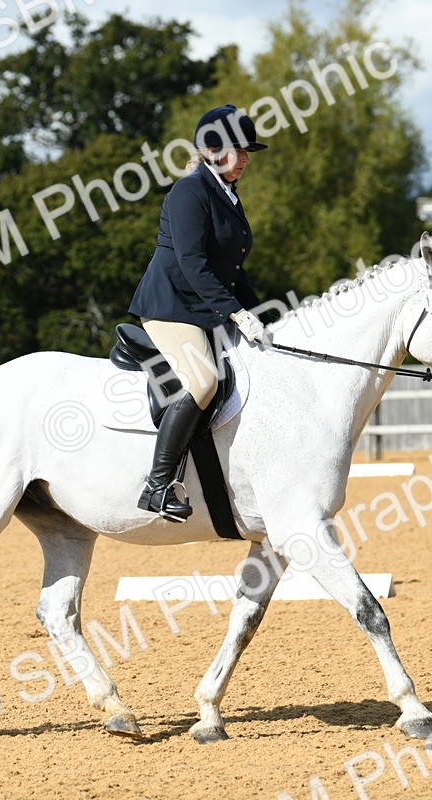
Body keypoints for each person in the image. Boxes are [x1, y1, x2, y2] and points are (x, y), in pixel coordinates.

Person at [127, 104, 269, 521]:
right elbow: (193, 263)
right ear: (211, 150)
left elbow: (232, 269)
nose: (245, 159)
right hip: (171, 306)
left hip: (203, 307)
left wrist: (265, 315)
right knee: (204, 380)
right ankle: (157, 486)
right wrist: (235, 313)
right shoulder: (189, 191)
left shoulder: (227, 194)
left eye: (247, 152)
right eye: (238, 150)